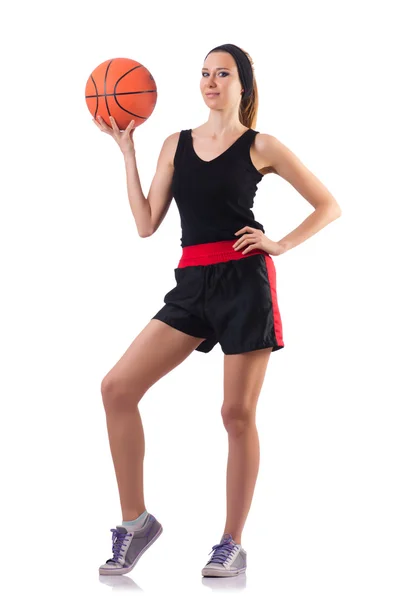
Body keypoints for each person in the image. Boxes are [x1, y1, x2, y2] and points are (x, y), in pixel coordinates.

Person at [93, 43, 342, 578]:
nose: (210, 82)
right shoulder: (174, 143)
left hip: (243, 283)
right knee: (117, 388)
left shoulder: (262, 145)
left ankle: (232, 542)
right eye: (204, 73)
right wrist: (128, 153)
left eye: (221, 74)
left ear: (242, 85)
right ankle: (135, 524)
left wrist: (279, 244)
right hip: (191, 284)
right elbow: (145, 223)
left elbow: (329, 205)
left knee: (236, 414)